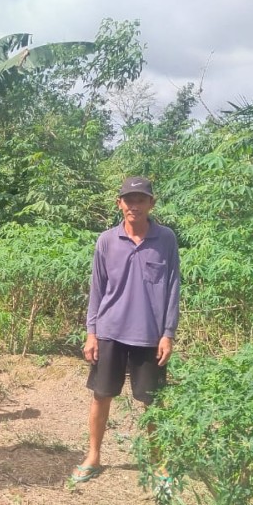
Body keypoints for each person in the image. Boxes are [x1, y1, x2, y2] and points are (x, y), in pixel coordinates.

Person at [71, 175, 180, 484]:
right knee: (101, 395)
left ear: (151, 203)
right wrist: (91, 333)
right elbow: (97, 289)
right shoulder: (106, 240)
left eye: (140, 199)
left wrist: (168, 334)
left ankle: (159, 463)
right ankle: (93, 455)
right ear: (119, 204)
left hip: (150, 334)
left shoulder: (166, 239)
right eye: (128, 199)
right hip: (110, 331)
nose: (134, 205)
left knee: (152, 401)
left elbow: (173, 288)